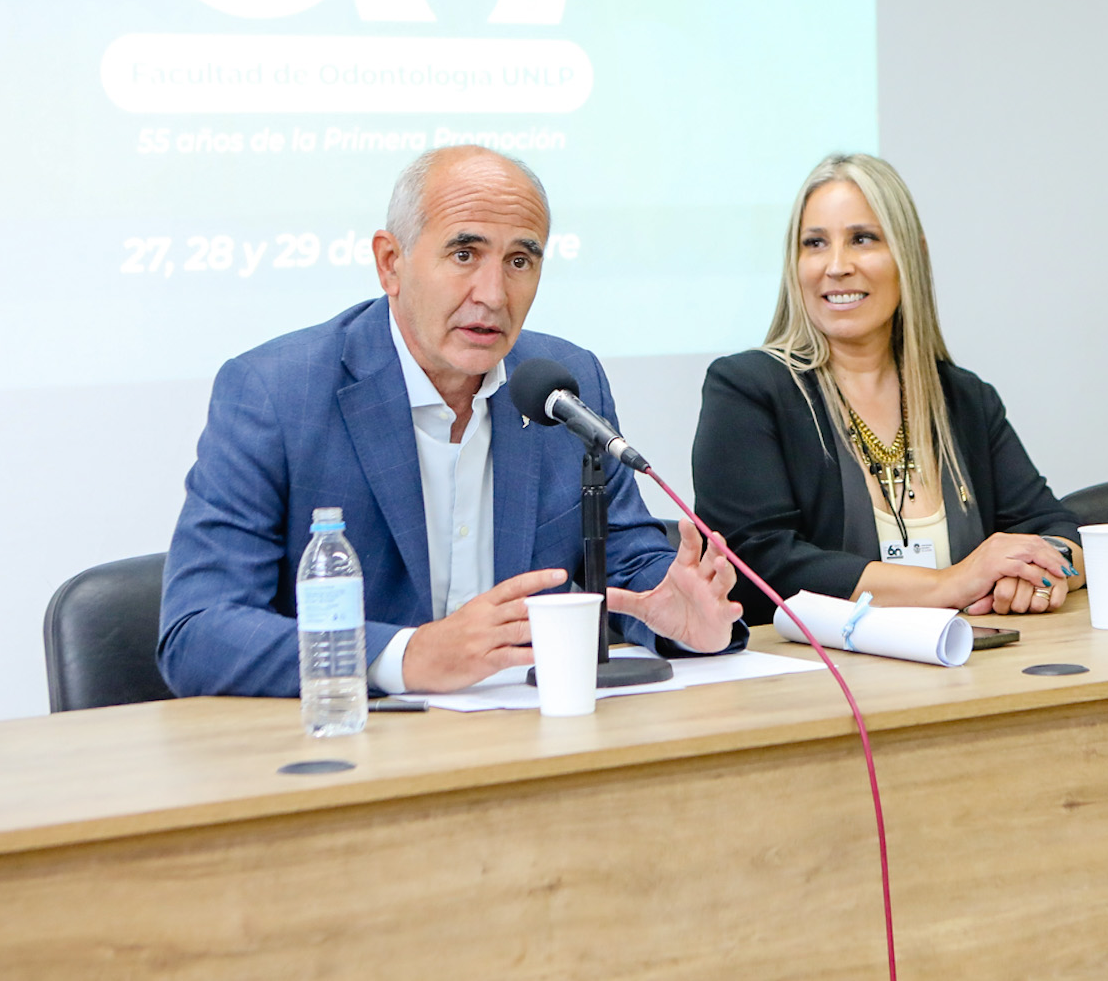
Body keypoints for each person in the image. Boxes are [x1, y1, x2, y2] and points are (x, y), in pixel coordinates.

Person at [159, 146, 743, 698]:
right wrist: (406, 656)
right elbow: (197, 629)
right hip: (359, 740)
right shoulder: (276, 394)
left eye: (519, 261)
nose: (493, 294)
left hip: (534, 733)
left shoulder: (562, 384)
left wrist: (679, 617)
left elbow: (627, 561)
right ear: (391, 263)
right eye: (464, 255)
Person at [692, 153, 1083, 623]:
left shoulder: (965, 400)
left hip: (967, 659)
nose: (837, 266)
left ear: (911, 255)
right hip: (815, 666)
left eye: (862, 239)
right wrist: (949, 583)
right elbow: (757, 563)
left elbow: (1057, 529)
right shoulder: (748, 390)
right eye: (815, 243)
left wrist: (1039, 572)